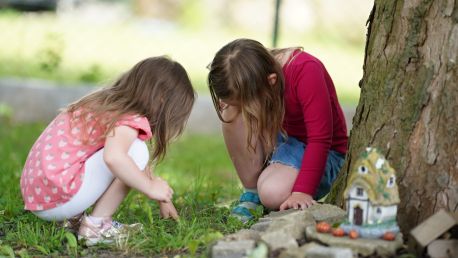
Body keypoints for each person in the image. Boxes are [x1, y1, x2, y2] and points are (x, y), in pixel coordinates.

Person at [20, 56, 196, 245]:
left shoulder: (105, 103)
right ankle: (97, 227)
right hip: (57, 199)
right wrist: (150, 188)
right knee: (136, 151)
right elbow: (116, 158)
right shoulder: (130, 119)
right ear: (161, 100)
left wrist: (164, 198)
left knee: (131, 151)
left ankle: (75, 219)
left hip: (40, 194)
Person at [207, 39, 348, 222]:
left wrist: (302, 192)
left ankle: (267, 189)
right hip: (285, 142)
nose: (245, 109)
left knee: (272, 193)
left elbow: (320, 139)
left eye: (246, 103)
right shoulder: (252, 70)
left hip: (323, 154)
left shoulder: (305, 70)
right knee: (229, 109)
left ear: (271, 81)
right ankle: (252, 193)